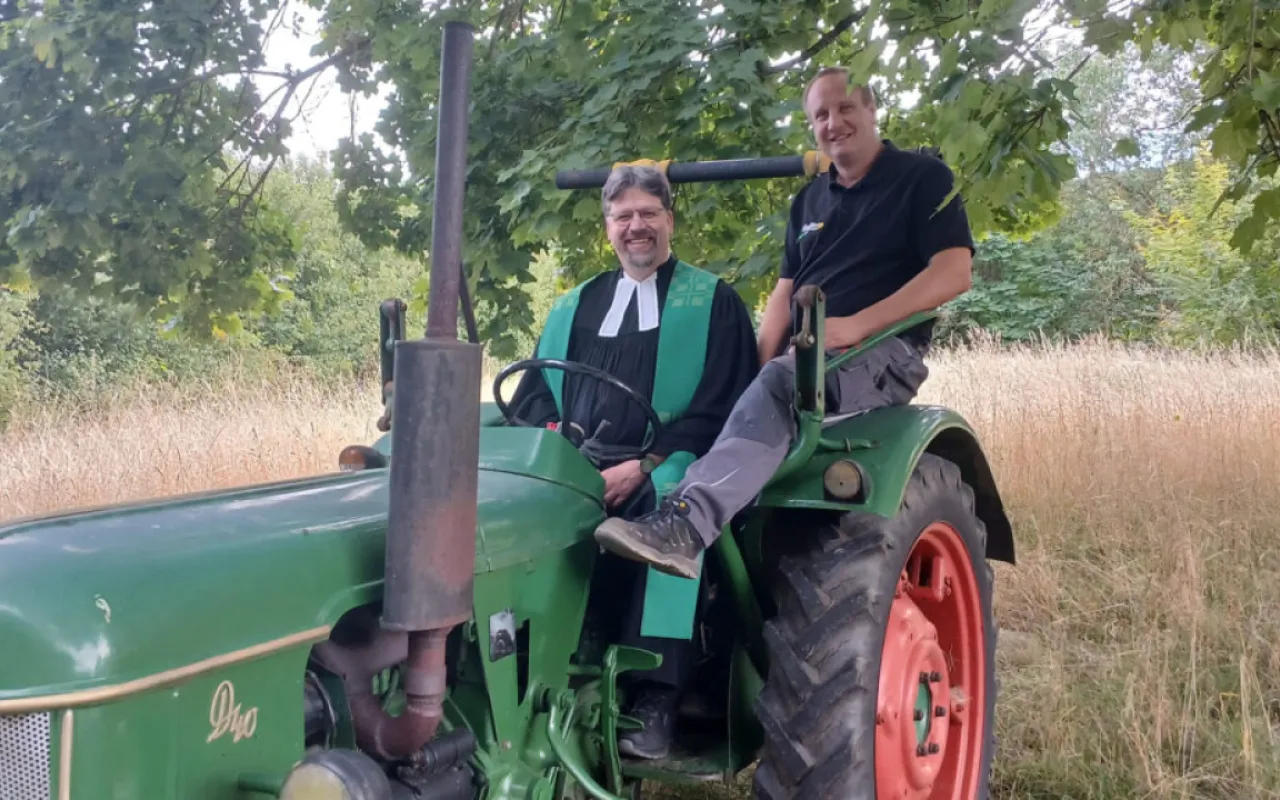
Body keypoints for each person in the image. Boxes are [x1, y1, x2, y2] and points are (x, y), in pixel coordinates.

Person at [592, 66, 975, 581]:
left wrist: (855, 326)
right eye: (821, 115)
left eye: (845, 108)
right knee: (752, 386)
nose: (833, 122)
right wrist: (745, 375)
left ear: (872, 110)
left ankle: (685, 526)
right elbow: (784, 295)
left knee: (781, 382)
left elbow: (953, 272)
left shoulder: (922, 179)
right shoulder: (810, 200)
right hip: (809, 354)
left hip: (883, 353)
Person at [507, 164, 759, 759]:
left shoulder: (712, 302)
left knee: (671, 501)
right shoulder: (574, 306)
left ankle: (654, 697)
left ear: (670, 221)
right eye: (624, 217)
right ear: (608, 229)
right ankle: (534, 666)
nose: (636, 227)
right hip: (578, 460)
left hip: (666, 461)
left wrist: (645, 462)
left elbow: (726, 404)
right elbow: (537, 395)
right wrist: (560, 452)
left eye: (648, 214)